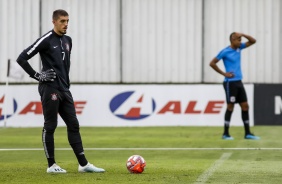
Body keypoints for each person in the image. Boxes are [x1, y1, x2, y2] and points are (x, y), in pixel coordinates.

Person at [16, 9, 105, 173]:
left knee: (73, 125)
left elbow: (64, 66)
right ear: (54, 22)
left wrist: (66, 84)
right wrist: (37, 75)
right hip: (49, 88)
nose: (66, 24)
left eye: (67, 21)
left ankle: (83, 165)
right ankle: (51, 165)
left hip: (64, 89)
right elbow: (21, 58)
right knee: (50, 125)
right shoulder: (46, 40)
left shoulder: (68, 40)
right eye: (62, 21)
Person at [209, 32, 260, 140]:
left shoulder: (239, 48)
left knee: (245, 106)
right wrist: (224, 73)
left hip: (238, 82)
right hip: (230, 83)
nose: (240, 42)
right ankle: (225, 134)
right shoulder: (225, 51)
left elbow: (253, 41)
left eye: (241, 40)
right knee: (230, 106)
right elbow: (212, 63)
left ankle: (248, 133)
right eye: (238, 39)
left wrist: (243, 34)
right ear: (232, 39)